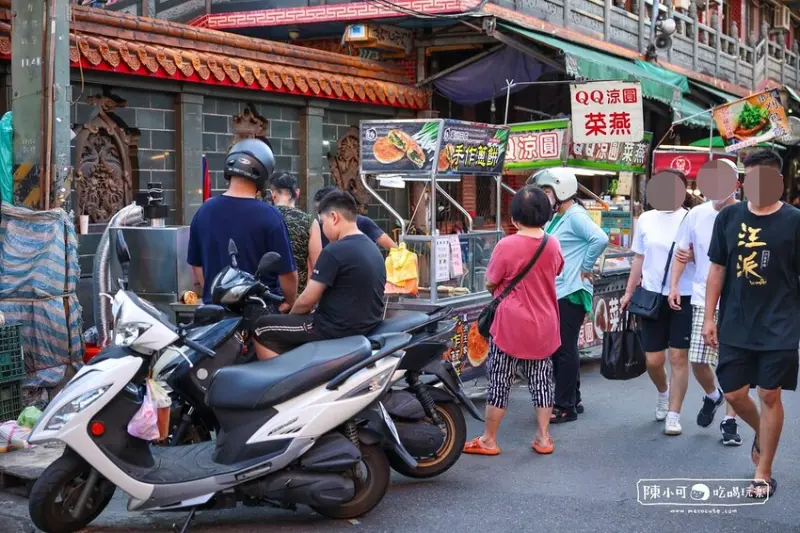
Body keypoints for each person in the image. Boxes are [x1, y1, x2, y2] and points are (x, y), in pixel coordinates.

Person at [704, 150, 800, 498]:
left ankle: (764, 471)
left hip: (781, 322)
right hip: (736, 321)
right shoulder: (729, 217)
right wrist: (709, 317)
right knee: (733, 392)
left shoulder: (794, 221)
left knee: (770, 393)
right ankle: (765, 432)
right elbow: (717, 269)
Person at [463, 186, 564, 456]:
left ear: (514, 218)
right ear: (546, 215)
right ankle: (543, 438)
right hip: (545, 324)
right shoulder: (552, 243)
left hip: (510, 327)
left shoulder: (506, 245)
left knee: (500, 382)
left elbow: (491, 281)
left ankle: (489, 440)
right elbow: (556, 271)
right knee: (542, 381)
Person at [252, 190, 386, 360]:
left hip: (333, 329)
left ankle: (277, 379)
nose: (323, 228)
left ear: (334, 217)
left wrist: (289, 317)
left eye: (323, 222)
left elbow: (307, 300)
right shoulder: (372, 248)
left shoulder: (335, 250)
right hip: (366, 326)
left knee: (261, 328)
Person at [621, 170, 695, 436]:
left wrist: (693, 256)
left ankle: (674, 414)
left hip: (684, 295)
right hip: (651, 296)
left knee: (678, 357)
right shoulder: (646, 219)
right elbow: (638, 258)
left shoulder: (691, 217)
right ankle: (663, 393)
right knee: (653, 360)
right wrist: (629, 291)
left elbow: (706, 257)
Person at [667, 181, 741, 445]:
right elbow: (682, 252)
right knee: (698, 360)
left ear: (736, 185)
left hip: (739, 300)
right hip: (703, 297)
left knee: (732, 363)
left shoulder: (746, 213)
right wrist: (674, 286)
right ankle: (713, 394)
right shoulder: (696, 214)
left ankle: (729, 421)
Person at [533, 168, 609, 423]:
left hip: (571, 291)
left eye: (546, 192)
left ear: (562, 191)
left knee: (563, 349)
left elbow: (599, 238)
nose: (544, 197)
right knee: (563, 348)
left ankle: (564, 406)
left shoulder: (575, 215)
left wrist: (586, 268)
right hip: (560, 290)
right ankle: (573, 398)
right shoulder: (559, 216)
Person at [187, 138, 297, 307]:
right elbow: (288, 274)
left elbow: (197, 266)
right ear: (264, 173)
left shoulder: (204, 211)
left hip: (216, 316)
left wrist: (220, 295)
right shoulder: (270, 216)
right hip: (258, 316)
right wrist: (289, 303)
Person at [269, 172, 323, 293]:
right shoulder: (310, 222)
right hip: (298, 298)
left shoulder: (263, 217)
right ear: (297, 193)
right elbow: (317, 266)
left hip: (267, 297)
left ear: (273, 194)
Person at [313, 186, 396, 250]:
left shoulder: (363, 223)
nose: (319, 214)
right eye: (317, 210)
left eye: (321, 210)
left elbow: (393, 248)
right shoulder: (316, 228)